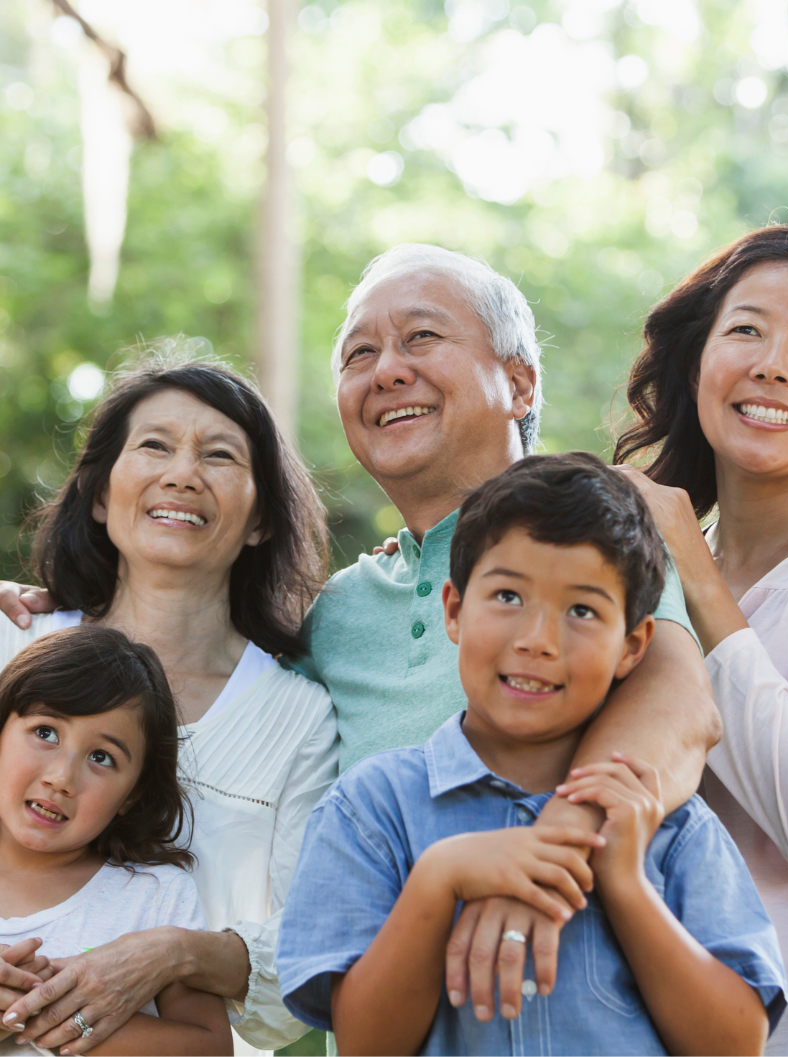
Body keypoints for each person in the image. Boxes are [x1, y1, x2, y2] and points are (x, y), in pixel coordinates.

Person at [3, 247, 721, 1013]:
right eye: (359, 353)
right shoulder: (339, 613)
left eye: (420, 338)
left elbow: (679, 711)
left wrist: (548, 856)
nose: (386, 371)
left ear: (518, 383)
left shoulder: (598, 548)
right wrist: (65, 608)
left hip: (573, 1002)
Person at [276, 453, 787, 1056]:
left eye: (581, 611)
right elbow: (366, 1045)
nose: (538, 641)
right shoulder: (372, 809)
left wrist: (624, 883)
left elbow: (736, 1044)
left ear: (632, 646)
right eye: (508, 596)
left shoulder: (666, 825)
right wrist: (438, 882)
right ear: (455, 611)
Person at [0, 346, 337, 1056]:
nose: (182, 474)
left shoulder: (298, 715)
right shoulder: (12, 643)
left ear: (261, 519)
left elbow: (308, 956)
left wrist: (174, 952)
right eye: (154, 445)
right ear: (99, 493)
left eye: (219, 456)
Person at [612, 224, 788, 1055]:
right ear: (697, 360)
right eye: (745, 328)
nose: (773, 362)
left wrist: (695, 574)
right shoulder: (647, 568)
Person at [0, 624, 232, 1056]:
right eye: (46, 732)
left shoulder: (155, 897)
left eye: (101, 757)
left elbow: (211, 1049)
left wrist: (34, 1011)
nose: (62, 778)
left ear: (133, 794)